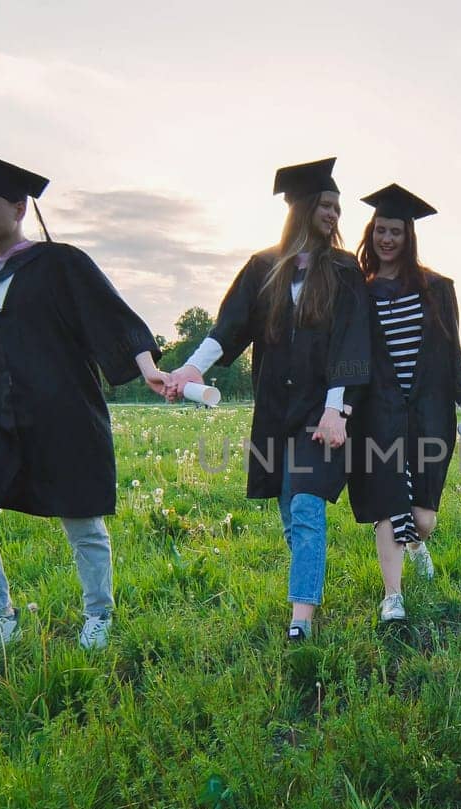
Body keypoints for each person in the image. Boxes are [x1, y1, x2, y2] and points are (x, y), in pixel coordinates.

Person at [0, 150, 167, 659]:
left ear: (19, 208)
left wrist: (149, 369)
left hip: (64, 411)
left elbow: (111, 316)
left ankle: (99, 615)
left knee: (82, 521)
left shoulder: (62, 262)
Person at [166, 158, 370, 641]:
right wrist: (192, 368)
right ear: (300, 208)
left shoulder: (343, 269)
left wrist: (337, 407)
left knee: (306, 506)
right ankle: (309, 576)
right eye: (325, 205)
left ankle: (301, 619)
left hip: (322, 412)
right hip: (276, 412)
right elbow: (229, 326)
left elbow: (351, 338)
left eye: (337, 207)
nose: (334, 215)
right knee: (290, 508)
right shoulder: (263, 267)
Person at [346, 184, 461, 623]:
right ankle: (393, 597)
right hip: (379, 415)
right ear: (371, 233)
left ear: (409, 237)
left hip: (429, 416)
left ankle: (418, 543)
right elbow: (348, 357)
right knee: (390, 503)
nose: (387, 239)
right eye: (380, 230)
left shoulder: (438, 289)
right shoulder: (360, 292)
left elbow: (452, 357)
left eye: (396, 231)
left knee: (422, 518)